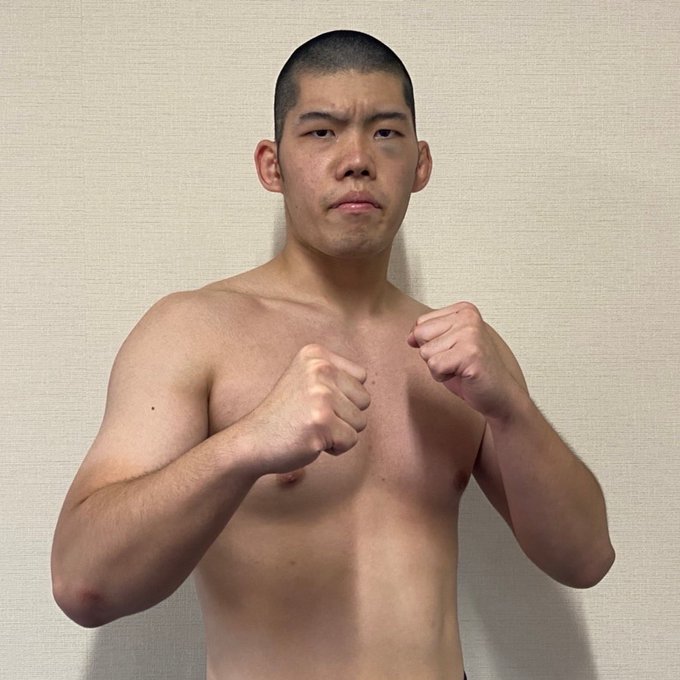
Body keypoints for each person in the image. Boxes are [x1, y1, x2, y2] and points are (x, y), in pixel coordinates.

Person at [51, 30, 615, 680]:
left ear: (420, 164)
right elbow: (84, 583)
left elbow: (586, 559)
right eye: (321, 132)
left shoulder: (460, 352)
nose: (356, 160)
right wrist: (247, 443)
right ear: (272, 164)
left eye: (386, 133)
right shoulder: (192, 331)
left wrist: (512, 410)